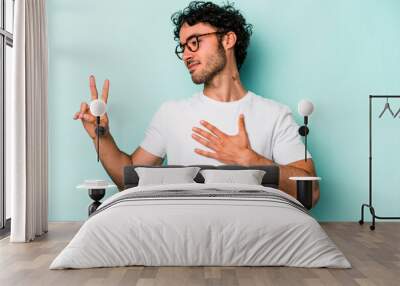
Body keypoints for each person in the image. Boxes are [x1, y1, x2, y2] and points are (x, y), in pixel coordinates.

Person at [73, 1, 320, 205]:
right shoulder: (171, 113)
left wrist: (252, 161)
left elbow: (311, 193)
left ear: (228, 40)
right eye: (183, 47)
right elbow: (129, 178)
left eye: (195, 41)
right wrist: (101, 136)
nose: (187, 55)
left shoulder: (274, 114)